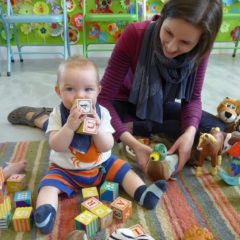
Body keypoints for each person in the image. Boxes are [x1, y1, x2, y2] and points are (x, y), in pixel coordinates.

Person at [8, 0, 224, 179]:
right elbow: (104, 100)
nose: (171, 46)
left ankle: (137, 126)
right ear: (164, 16)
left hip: (158, 106)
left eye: (185, 42)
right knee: (86, 128)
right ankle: (43, 118)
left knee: (214, 128)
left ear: (200, 43)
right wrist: (133, 144)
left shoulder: (200, 52)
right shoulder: (135, 34)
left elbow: (193, 99)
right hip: (121, 102)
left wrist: (189, 133)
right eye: (168, 32)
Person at [33, 55, 167, 235]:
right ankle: (46, 211)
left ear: (98, 91)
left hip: (101, 167)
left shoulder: (102, 113)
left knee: (123, 168)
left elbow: (107, 146)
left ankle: (142, 192)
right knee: (48, 185)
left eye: (88, 89)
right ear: (58, 91)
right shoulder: (58, 114)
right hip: (66, 170)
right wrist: (70, 126)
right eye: (70, 89)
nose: (80, 96)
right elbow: (57, 145)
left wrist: (96, 129)